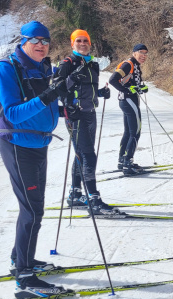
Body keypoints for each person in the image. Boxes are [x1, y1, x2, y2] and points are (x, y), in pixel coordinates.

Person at [0, 21, 74, 298]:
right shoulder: (7, 69)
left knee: (34, 207)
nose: (41, 44)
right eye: (35, 40)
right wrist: (49, 94)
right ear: (23, 41)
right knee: (32, 211)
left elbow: (43, 106)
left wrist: (64, 110)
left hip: (39, 142)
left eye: (45, 40)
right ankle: (25, 279)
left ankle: (20, 260)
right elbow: (12, 113)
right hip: (18, 144)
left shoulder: (41, 67)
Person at [56, 29, 118, 215]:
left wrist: (100, 93)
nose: (83, 44)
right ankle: (94, 199)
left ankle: (75, 194)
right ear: (72, 44)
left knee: (81, 155)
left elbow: (86, 90)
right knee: (88, 156)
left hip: (90, 114)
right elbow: (56, 88)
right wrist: (71, 79)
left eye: (86, 41)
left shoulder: (93, 65)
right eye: (79, 41)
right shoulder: (67, 63)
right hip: (75, 115)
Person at [109, 44, 149, 174]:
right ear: (134, 53)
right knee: (135, 132)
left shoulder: (135, 65)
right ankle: (128, 163)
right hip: (128, 100)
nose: (144, 55)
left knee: (128, 132)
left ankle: (122, 160)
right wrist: (127, 90)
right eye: (141, 52)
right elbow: (113, 80)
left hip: (128, 101)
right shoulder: (128, 64)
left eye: (146, 53)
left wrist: (140, 88)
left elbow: (131, 83)